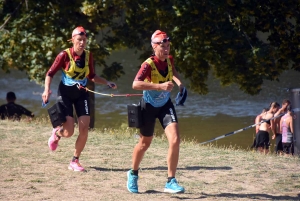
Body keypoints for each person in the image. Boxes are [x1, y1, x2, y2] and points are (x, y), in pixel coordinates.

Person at [41, 26, 117, 172]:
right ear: (73, 40)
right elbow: (50, 73)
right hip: (65, 94)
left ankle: (75, 160)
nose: (82, 43)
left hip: (82, 94)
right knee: (69, 132)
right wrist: (46, 90)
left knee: (84, 128)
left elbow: (92, 76)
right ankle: (57, 133)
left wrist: (106, 82)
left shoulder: (88, 56)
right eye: (79, 40)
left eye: (84, 40)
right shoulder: (64, 55)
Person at [126, 30, 186, 194]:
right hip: (149, 106)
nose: (166, 50)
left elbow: (172, 71)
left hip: (165, 105)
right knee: (145, 143)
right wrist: (159, 86)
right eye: (163, 47)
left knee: (175, 139)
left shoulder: (169, 60)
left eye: (168, 46)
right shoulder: (148, 64)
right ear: (154, 47)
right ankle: (133, 173)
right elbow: (135, 84)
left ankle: (170, 181)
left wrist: (180, 85)